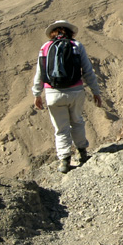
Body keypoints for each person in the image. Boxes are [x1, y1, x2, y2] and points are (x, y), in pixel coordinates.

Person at [32, 20, 102, 173]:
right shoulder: (76, 45)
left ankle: (64, 161)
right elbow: (88, 71)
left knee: (61, 128)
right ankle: (82, 153)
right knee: (77, 122)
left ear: (52, 33)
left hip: (53, 94)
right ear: (70, 32)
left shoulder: (45, 47)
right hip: (76, 92)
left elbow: (40, 73)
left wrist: (37, 94)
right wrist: (95, 92)